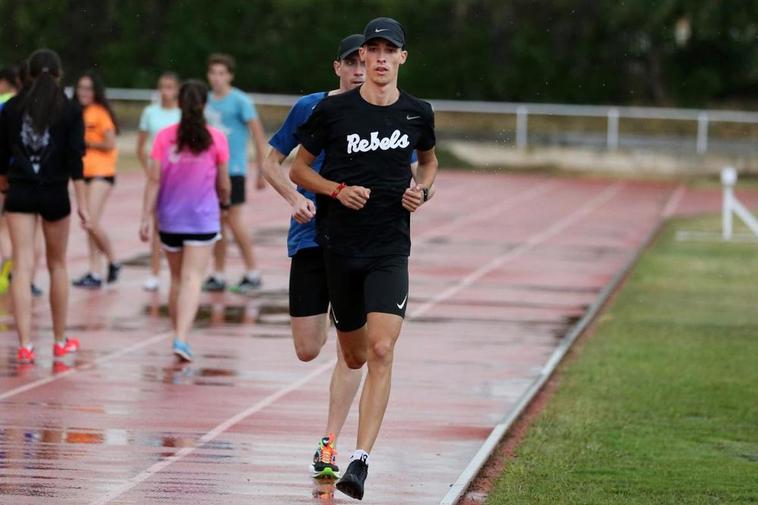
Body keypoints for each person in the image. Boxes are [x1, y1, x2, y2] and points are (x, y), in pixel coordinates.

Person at [263, 33, 435, 480]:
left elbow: (426, 162)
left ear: (399, 57)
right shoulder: (316, 109)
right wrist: (298, 198)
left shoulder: (411, 112)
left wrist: (421, 190)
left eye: (382, 54)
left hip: (377, 244)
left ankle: (336, 444)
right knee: (310, 349)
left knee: (371, 348)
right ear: (341, 65)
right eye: (359, 59)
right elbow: (279, 163)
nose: (367, 66)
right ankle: (346, 336)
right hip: (315, 239)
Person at [0, 48, 90, 364]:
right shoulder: (69, 109)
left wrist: (4, 185)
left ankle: (25, 344)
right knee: (57, 265)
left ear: (28, 74)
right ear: (59, 74)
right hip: (54, 193)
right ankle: (59, 339)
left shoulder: (11, 108)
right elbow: (75, 160)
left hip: (21, 192)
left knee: (22, 266)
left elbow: (1, 155)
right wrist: (84, 205)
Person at [140, 80, 231, 362]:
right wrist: (224, 204)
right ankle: (182, 337)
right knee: (193, 280)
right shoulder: (216, 137)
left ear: (179, 103)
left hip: (169, 219)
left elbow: (154, 179)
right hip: (202, 219)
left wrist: (146, 216)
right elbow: (224, 182)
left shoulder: (164, 137)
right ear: (205, 104)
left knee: (177, 279)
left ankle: (177, 335)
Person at [203, 53, 266, 294]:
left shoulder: (240, 101)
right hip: (210, 171)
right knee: (216, 222)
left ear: (229, 75)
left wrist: (261, 170)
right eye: (213, 73)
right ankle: (218, 273)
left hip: (234, 170)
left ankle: (252, 271)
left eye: (221, 73)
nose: (217, 78)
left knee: (234, 220)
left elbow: (258, 137)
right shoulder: (205, 101)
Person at [72, 70, 121, 289]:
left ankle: (113, 260)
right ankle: (95, 270)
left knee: (90, 220)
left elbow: (109, 143)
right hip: (83, 174)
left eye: (88, 88)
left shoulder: (100, 113)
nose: (84, 92)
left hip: (101, 172)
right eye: (81, 88)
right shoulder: (74, 112)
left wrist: (86, 143)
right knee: (88, 223)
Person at [136, 72, 181, 292]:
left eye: (170, 87)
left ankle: (182, 271)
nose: (166, 91)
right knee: (157, 225)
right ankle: (154, 272)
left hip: (180, 179)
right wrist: (150, 172)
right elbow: (140, 147)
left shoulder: (182, 114)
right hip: (157, 176)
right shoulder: (150, 112)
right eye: (163, 87)